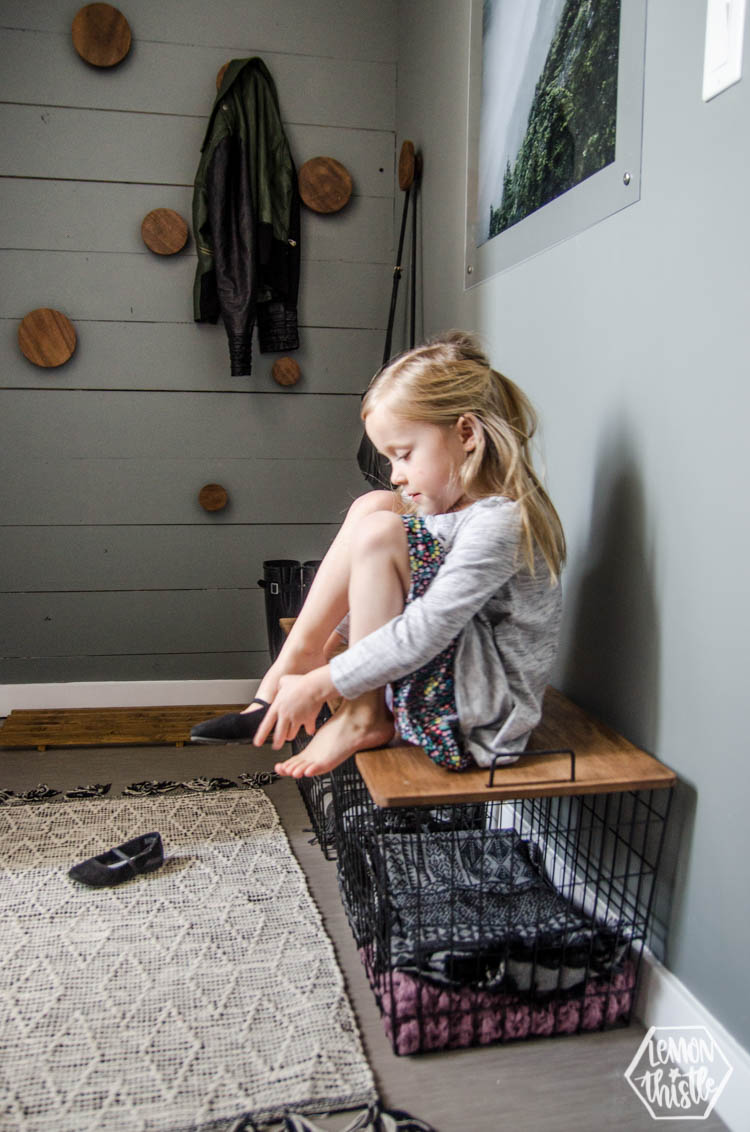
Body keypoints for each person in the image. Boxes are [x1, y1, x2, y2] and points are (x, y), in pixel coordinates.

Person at [190, 331, 566, 778]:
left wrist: (321, 683)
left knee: (383, 528)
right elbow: (385, 596)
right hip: (447, 688)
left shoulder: (498, 522)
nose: (396, 475)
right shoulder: (458, 514)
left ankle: (361, 713)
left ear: (466, 432)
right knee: (374, 507)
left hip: (478, 725)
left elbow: (427, 628)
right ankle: (298, 658)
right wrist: (335, 647)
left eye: (404, 455)